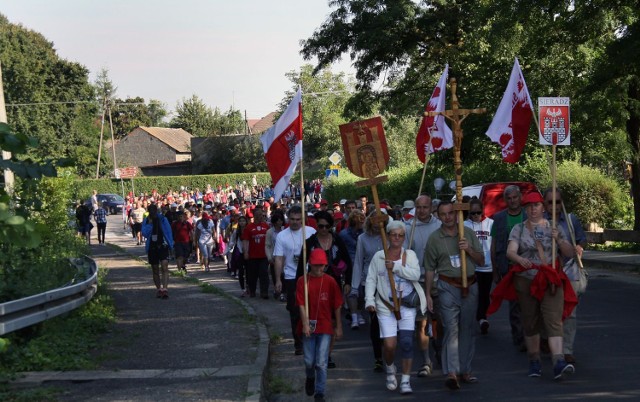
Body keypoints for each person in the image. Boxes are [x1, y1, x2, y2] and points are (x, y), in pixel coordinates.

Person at [489, 191, 577, 380]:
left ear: (543, 207)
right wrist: (520, 259)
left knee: (554, 320)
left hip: (550, 280)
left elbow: (569, 253)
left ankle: (558, 361)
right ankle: (534, 360)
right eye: (528, 206)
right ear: (525, 209)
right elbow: (510, 251)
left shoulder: (554, 227)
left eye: (536, 205)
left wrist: (560, 240)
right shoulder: (519, 229)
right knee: (530, 322)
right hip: (526, 279)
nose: (532, 209)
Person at [425, 201, 484, 390]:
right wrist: (427, 294)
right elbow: (429, 269)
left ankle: (465, 370)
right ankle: (451, 372)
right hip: (447, 287)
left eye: (450, 213)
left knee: (467, 328)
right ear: (438, 216)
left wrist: (468, 249)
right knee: (451, 328)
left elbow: (481, 260)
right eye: (443, 214)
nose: (448, 217)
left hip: (470, 285)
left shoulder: (467, 233)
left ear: (456, 213)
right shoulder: (434, 238)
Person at [365, 220, 426, 395]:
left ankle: (406, 381)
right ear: (388, 236)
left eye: (400, 235)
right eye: (393, 235)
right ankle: (390, 369)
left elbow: (415, 274)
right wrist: (369, 300)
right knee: (390, 345)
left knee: (407, 343)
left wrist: (397, 267)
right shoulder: (379, 256)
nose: (397, 238)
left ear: (404, 237)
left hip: (406, 305)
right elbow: (371, 279)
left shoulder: (410, 255)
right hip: (386, 306)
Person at [297, 210, 352, 369]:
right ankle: (315, 352)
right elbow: (301, 265)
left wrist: (348, 281)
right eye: (320, 226)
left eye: (327, 226)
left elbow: (348, 260)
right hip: (313, 283)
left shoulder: (337, 240)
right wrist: (298, 286)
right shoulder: (310, 242)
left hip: (333, 283)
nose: (323, 229)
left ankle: (327, 355)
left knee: (333, 320)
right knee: (316, 318)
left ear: (331, 226)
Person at [543, 188, 586, 366]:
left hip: (569, 271)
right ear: (544, 204)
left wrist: (580, 248)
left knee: (570, 313)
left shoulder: (571, 220)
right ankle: (551, 342)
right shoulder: (539, 221)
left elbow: (581, 239)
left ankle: (566, 350)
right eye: (550, 202)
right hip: (548, 273)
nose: (555, 206)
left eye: (558, 202)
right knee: (550, 313)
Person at [298, 248, 344, 402]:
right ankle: (310, 377)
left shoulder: (330, 281)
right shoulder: (302, 281)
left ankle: (320, 392)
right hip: (308, 326)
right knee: (309, 361)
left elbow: (337, 304)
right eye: (316, 265)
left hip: (325, 325)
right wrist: (305, 323)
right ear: (310, 264)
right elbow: (301, 304)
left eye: (322, 265)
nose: (319, 268)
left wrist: (338, 326)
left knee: (322, 361)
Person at [403, 195, 441, 378]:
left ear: (431, 207)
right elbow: (401, 256)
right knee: (421, 324)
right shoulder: (408, 229)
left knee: (443, 321)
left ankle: (441, 350)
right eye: (418, 207)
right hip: (417, 282)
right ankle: (426, 361)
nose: (422, 210)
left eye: (425, 207)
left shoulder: (439, 226)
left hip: (439, 280)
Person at [274, 205, 316, 355]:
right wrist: (278, 279)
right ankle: (298, 343)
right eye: (292, 219)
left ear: (303, 220)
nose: (295, 222)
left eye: (298, 219)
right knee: (295, 311)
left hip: (311, 275)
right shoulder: (282, 236)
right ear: (288, 219)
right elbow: (279, 259)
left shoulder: (311, 233)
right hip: (292, 277)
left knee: (312, 309)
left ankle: (312, 340)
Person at [350, 210, 388, 372]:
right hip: (370, 283)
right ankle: (378, 357)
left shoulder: (389, 236)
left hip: (388, 282)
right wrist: (354, 286)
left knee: (387, 319)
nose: (377, 224)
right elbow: (358, 262)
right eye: (374, 220)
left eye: (381, 221)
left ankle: (388, 349)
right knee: (375, 320)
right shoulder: (362, 239)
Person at [491, 185, 526, 350]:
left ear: (520, 198)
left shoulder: (528, 216)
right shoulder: (498, 218)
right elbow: (494, 245)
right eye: (509, 198)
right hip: (508, 268)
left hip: (527, 267)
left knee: (530, 303)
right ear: (505, 200)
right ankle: (519, 338)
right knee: (514, 305)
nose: (512, 201)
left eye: (515, 197)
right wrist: (495, 271)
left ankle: (533, 336)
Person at [464, 198, 494, 335]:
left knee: (484, 294)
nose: (476, 215)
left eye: (478, 212)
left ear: (483, 211)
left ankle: (482, 318)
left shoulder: (491, 223)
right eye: (473, 213)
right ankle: (470, 319)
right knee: (471, 295)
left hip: (487, 266)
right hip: (471, 266)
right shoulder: (464, 225)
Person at [338, 210, 365, 328]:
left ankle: (358, 313)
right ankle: (354, 317)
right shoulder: (343, 235)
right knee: (351, 290)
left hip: (362, 266)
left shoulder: (364, 234)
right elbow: (340, 251)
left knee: (362, 292)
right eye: (360, 222)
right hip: (349, 267)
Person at [142, 203, 174, 299]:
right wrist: (151, 224)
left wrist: (170, 245)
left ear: (156, 211)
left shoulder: (163, 219)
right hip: (152, 247)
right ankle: (158, 289)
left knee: (164, 266)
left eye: (154, 211)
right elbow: (145, 233)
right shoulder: (147, 221)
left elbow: (168, 232)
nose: (152, 213)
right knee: (155, 269)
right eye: (150, 211)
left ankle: (165, 289)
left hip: (162, 245)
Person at [242, 207, 271, 299]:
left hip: (264, 255)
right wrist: (246, 252)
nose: (260, 217)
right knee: (252, 275)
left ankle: (264, 292)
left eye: (261, 215)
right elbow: (246, 241)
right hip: (252, 255)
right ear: (254, 216)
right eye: (258, 215)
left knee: (264, 274)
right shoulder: (249, 228)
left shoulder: (266, 226)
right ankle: (252, 290)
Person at [266, 211, 286, 301]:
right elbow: (268, 245)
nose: (280, 222)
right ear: (274, 222)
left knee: (284, 275)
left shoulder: (285, 231)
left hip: (284, 257)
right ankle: (277, 290)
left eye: (281, 220)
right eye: (278, 221)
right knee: (275, 275)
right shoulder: (270, 232)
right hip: (274, 257)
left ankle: (283, 292)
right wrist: (269, 257)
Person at [229, 215, 249, 295]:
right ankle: (243, 289)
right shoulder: (236, 231)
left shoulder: (248, 230)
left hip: (248, 252)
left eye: (243, 221)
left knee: (248, 271)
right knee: (241, 271)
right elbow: (232, 240)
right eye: (240, 221)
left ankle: (248, 286)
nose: (242, 223)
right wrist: (230, 247)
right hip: (239, 252)